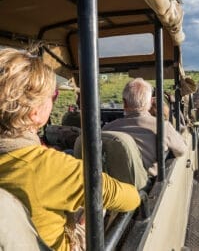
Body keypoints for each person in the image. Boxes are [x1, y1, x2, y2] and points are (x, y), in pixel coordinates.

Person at [0, 48, 140, 251]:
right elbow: (131, 198)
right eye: (53, 96)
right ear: (35, 113)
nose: (54, 100)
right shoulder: (53, 167)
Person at [103, 78, 188, 176]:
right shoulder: (163, 127)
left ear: (124, 103)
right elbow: (181, 151)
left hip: (113, 184)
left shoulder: (107, 129)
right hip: (148, 188)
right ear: (151, 102)